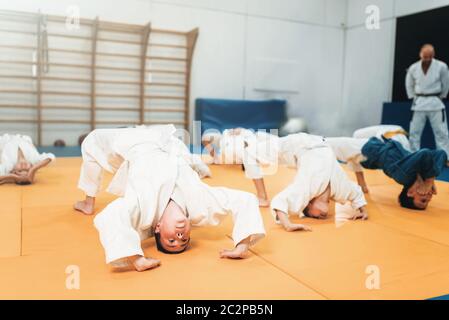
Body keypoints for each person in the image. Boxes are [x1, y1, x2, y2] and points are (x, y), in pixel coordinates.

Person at [90, 125, 266, 271]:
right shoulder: (202, 207)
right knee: (191, 160)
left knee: (91, 142)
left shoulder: (142, 210)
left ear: (157, 228)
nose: (180, 236)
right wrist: (242, 246)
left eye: (172, 240)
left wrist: (136, 259)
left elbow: (108, 217)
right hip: (173, 145)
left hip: (137, 142)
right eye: (184, 239)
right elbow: (245, 199)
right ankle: (201, 167)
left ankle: (87, 201)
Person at [244, 133, 368, 232]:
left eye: (312, 215)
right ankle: (255, 139)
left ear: (309, 202)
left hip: (295, 145)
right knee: (254, 151)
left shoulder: (308, 188)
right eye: (315, 217)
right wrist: (363, 211)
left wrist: (288, 225)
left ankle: (252, 140)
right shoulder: (341, 190)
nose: (319, 217)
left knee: (249, 152)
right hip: (320, 143)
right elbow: (356, 192)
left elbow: (280, 201)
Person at [75, 126, 211, 215]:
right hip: (162, 139)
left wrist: (89, 200)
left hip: (144, 147)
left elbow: (90, 167)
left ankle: (88, 204)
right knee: (175, 164)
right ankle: (196, 167)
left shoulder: (91, 139)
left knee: (160, 173)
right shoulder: (113, 135)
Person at [361, 137, 447, 210]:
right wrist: (431, 177)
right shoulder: (423, 175)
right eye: (429, 201)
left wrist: (429, 180)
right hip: (390, 141)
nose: (429, 197)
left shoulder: (404, 176)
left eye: (423, 200)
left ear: (410, 193)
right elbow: (441, 153)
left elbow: (425, 153)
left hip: (367, 148)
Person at [327, 125, 410, 193]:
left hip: (391, 136)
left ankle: (361, 184)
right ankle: (361, 184)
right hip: (391, 135)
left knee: (355, 149)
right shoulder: (397, 148)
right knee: (355, 148)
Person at [202, 128, 270, 207]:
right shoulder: (252, 135)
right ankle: (215, 157)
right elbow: (243, 131)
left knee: (250, 155)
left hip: (232, 146)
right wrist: (238, 131)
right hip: (226, 139)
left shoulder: (248, 152)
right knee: (205, 137)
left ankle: (262, 197)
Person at [406, 44, 449, 164]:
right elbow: (409, 84)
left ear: (433, 55)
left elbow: (446, 83)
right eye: (425, 56)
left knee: (441, 132)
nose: (427, 59)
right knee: (414, 132)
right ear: (420, 55)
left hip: (435, 101)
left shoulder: (441, 66)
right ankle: (413, 155)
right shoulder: (413, 68)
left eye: (430, 56)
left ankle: (444, 157)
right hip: (419, 102)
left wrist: (441, 96)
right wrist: (413, 97)